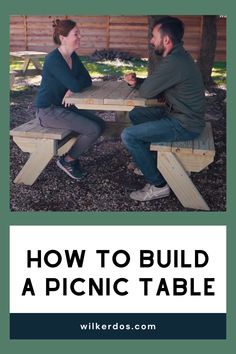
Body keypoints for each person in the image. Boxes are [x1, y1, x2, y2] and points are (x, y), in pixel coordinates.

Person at [121, 16, 206, 202]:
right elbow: (157, 86)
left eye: (154, 36)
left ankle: (158, 185)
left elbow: (147, 92)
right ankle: (149, 163)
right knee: (137, 114)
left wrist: (141, 85)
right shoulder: (179, 57)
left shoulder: (174, 62)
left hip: (185, 124)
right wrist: (138, 82)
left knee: (129, 135)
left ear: (166, 40)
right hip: (179, 114)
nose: (151, 40)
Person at [35, 19, 105, 180]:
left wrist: (71, 88)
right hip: (49, 111)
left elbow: (86, 80)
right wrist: (72, 87)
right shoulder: (54, 59)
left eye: (79, 33)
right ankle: (68, 160)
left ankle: (70, 157)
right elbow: (76, 84)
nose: (80, 36)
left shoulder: (72, 56)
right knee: (93, 129)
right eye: (76, 34)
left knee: (100, 124)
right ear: (63, 37)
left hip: (63, 108)